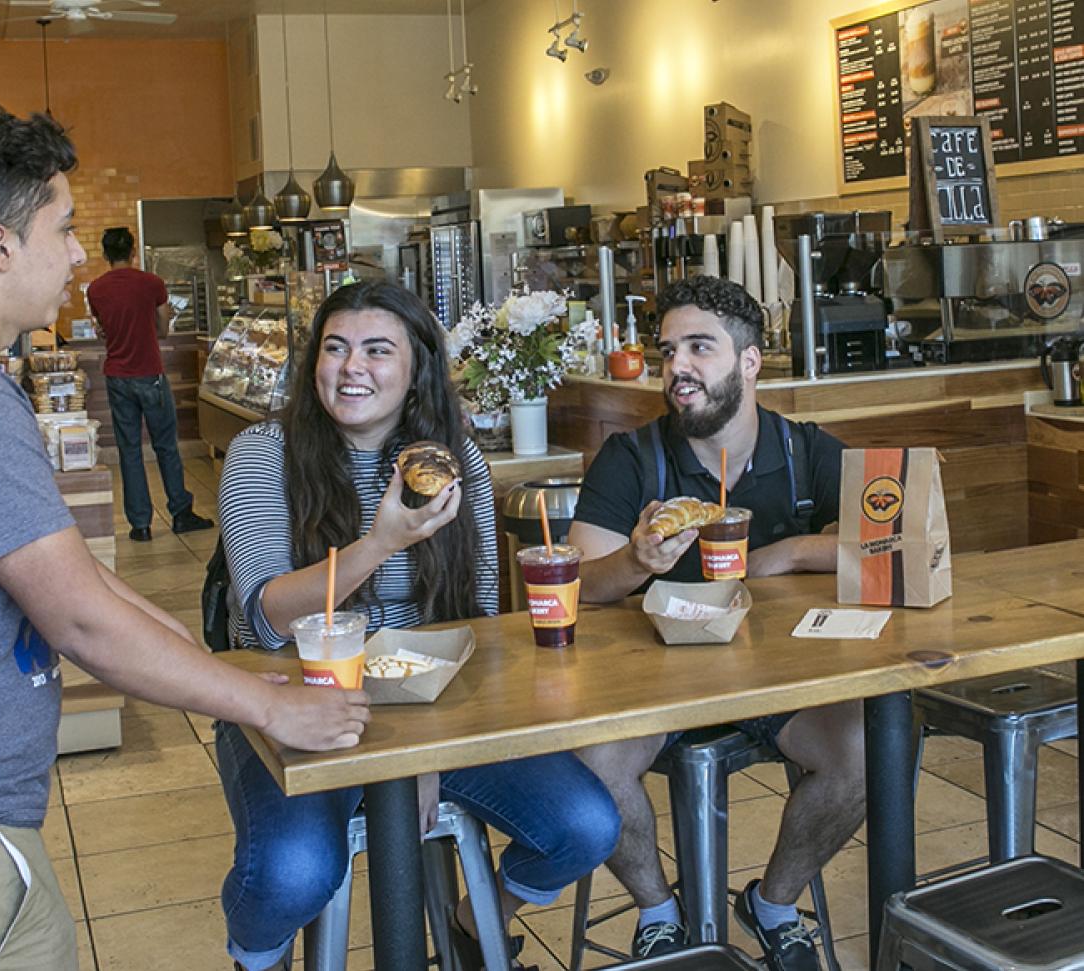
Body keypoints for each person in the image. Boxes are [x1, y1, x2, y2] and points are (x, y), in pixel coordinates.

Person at [0, 102, 370, 971]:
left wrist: (211, 656)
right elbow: (80, 623)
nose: (77, 253)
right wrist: (264, 704)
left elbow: (76, 574)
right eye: (63, 228)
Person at [217, 281, 621, 971]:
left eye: (377, 350)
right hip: (292, 703)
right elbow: (266, 614)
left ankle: (470, 920)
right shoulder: (263, 452)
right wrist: (379, 542)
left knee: (584, 825)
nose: (352, 367)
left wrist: (424, 751)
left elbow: (480, 615)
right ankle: (259, 958)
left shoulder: (455, 462)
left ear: (415, 370)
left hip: (438, 707)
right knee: (291, 874)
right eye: (336, 347)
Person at [566, 275, 859, 971]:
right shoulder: (631, 459)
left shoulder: (803, 451)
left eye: (701, 347)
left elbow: (882, 539)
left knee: (868, 751)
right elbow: (578, 582)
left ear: (751, 361)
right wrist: (637, 560)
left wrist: (777, 554)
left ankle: (775, 903)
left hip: (775, 682)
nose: (678, 370)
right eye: (670, 352)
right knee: (588, 769)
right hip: (650, 682)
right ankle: (658, 911)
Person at [86, 226, 212, 542]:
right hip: (149, 375)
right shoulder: (151, 284)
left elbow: (104, 329)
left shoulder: (96, 289)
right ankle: (181, 513)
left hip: (117, 376)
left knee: (129, 451)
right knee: (165, 446)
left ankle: (140, 525)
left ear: (105, 254)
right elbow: (164, 329)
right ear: (133, 252)